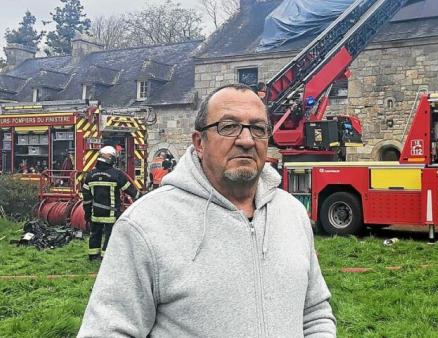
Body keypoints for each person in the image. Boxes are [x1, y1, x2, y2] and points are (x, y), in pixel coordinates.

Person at [78, 83, 336, 337]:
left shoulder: (292, 213)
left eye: (258, 128)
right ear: (199, 142)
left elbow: (314, 313)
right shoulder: (144, 224)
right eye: (228, 126)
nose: (246, 140)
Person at [81, 146, 137, 261]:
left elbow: (86, 198)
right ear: (111, 159)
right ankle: (105, 258)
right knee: (109, 235)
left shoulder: (90, 175)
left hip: (95, 213)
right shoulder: (116, 174)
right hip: (111, 214)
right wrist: (142, 198)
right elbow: (130, 190)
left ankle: (93, 256)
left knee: (95, 234)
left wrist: (87, 213)